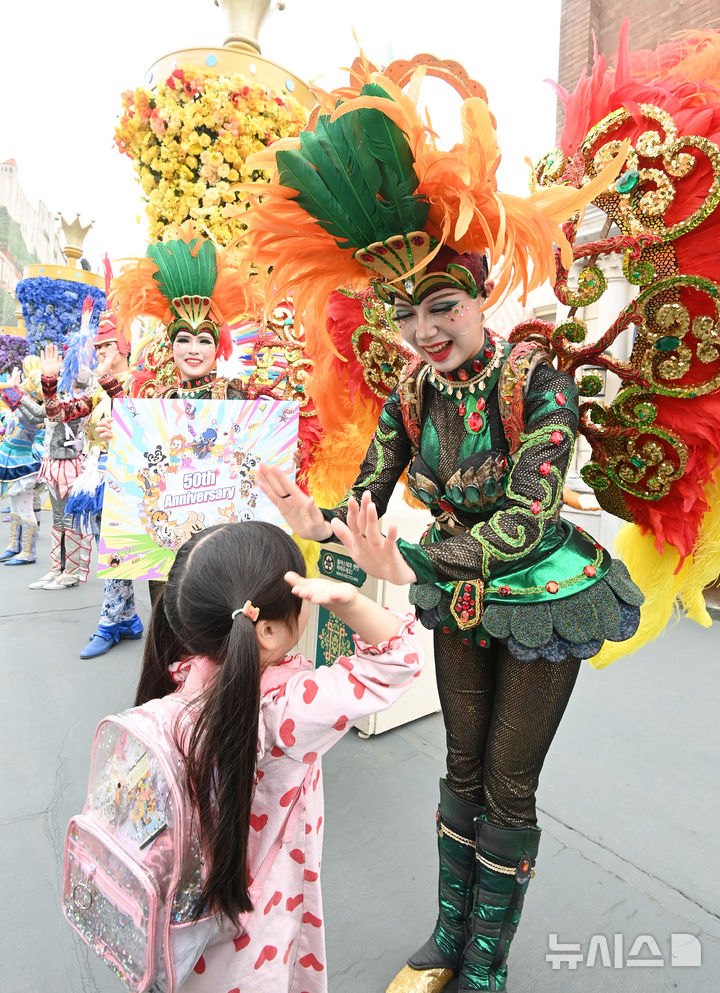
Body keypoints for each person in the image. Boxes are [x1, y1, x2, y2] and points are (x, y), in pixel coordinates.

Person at [246, 60, 643, 993]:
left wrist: (408, 556)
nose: (424, 331)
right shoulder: (414, 392)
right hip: (461, 596)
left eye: (443, 308)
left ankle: (487, 964)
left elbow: (525, 517)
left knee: (507, 784)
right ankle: (446, 937)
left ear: (478, 300)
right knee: (459, 765)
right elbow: (367, 492)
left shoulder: (535, 381)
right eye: (408, 313)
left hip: (543, 592)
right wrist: (321, 522)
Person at [134, 519, 423, 992]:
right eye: (302, 592)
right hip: (258, 913)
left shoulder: (183, 672)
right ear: (266, 630)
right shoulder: (283, 709)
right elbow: (397, 662)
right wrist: (350, 601)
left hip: (185, 914)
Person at [29, 344, 92, 589]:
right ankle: (57, 567)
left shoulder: (84, 401)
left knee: (69, 520)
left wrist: (49, 380)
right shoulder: (66, 397)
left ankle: (72, 572)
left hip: (71, 466)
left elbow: (55, 413)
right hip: (53, 464)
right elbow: (40, 414)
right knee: (57, 518)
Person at [0, 358, 45, 565]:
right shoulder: (20, 410)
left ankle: (28, 552)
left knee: (24, 510)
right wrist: (12, 388)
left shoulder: (31, 415)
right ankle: (13, 546)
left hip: (22, 468)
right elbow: (9, 409)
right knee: (16, 509)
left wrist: (14, 390)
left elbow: (19, 408)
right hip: (10, 465)